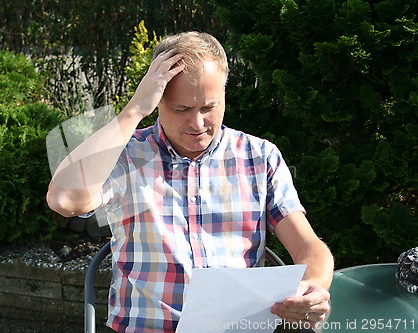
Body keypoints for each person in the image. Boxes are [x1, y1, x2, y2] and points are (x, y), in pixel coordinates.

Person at [47, 31, 333, 332]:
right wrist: (133, 111)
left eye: (209, 107)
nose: (197, 124)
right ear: (156, 101)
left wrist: (312, 287)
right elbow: (65, 200)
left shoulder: (259, 156)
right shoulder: (126, 155)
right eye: (181, 109)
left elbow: (310, 246)